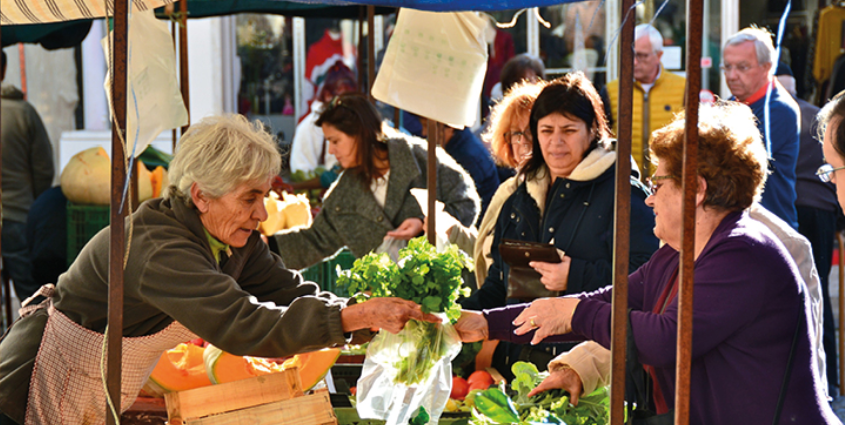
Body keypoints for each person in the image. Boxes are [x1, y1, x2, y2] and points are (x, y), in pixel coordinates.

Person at [0, 114, 438, 425]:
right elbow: (241, 324)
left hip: (93, 390)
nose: (261, 213)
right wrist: (352, 319)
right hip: (27, 389)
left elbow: (287, 290)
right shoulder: (159, 247)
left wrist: (363, 315)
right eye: (249, 198)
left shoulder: (229, 240)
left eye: (264, 196)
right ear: (202, 195)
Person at [458, 102, 839, 424]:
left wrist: (575, 313)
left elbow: (664, 339)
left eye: (658, 186)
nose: (650, 199)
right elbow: (614, 300)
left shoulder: (742, 253)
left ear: (696, 190)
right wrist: (488, 323)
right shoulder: (679, 252)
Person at [459, 73, 658, 379]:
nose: (556, 142)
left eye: (569, 130)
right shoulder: (520, 197)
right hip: (515, 368)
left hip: (586, 372)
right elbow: (500, 285)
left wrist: (575, 275)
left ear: (593, 131)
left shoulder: (622, 196)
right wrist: (455, 314)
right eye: (546, 130)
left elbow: (651, 281)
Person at [270, 93, 480, 271]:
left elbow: (466, 203)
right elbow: (315, 240)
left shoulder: (423, 158)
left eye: (335, 141)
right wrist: (266, 247)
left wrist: (424, 223)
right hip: (388, 306)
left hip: (448, 295)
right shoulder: (344, 194)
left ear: (360, 134)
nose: (332, 151)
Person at [776, 62, 840, 397]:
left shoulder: (768, 114)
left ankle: (813, 381)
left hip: (792, 210)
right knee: (815, 296)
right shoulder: (817, 115)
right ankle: (827, 381)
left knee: (797, 295)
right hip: (819, 210)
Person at [722, 27, 800, 229]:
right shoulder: (731, 103)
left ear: (767, 67)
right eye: (727, 67)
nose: (732, 75)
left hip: (771, 229)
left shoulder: (779, 109)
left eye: (742, 67)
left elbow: (728, 164)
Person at [0, 50, 55, 303]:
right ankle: (29, 342)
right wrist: (33, 204)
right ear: (3, 70)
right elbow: (43, 169)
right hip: (18, 215)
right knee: (29, 297)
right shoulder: (23, 112)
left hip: (15, 214)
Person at [601, 24, 686, 178]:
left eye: (642, 56)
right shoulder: (611, 91)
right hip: (624, 181)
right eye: (630, 54)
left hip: (669, 180)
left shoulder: (683, 88)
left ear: (659, 55)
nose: (634, 62)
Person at [418, 117, 499, 226]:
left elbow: (465, 208)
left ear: (450, 128)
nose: (424, 133)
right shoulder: (460, 145)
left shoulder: (466, 157)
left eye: (428, 127)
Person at [289, 61, 357, 175]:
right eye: (342, 99)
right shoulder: (309, 127)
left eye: (350, 99)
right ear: (327, 96)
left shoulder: (358, 122)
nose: (347, 105)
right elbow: (301, 172)